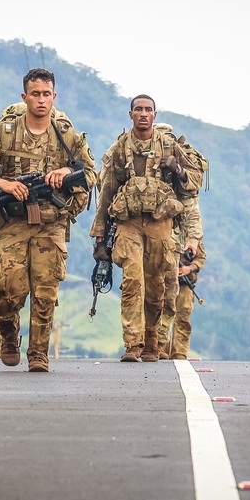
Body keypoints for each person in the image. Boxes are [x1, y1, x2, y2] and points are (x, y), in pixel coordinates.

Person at [0, 68, 97, 373]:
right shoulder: (4, 132)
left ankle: (38, 353)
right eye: (35, 94)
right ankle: (8, 328)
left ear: (54, 96)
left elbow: (91, 173)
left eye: (46, 94)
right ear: (24, 97)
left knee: (46, 290)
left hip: (51, 223)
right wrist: (4, 184)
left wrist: (66, 173)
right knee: (6, 289)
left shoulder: (66, 135)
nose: (41, 100)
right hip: (12, 222)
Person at [90, 95, 201, 362]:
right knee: (132, 280)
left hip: (161, 224)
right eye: (138, 109)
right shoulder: (119, 148)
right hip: (128, 224)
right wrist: (100, 235)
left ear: (154, 114)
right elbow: (107, 191)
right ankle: (133, 343)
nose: (143, 114)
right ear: (130, 114)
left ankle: (152, 339)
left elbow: (195, 182)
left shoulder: (169, 146)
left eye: (148, 110)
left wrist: (179, 170)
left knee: (156, 285)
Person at [159, 199, 206, 360]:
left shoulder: (194, 236)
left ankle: (179, 353)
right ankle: (161, 349)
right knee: (163, 313)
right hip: (166, 281)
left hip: (185, 285)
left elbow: (200, 259)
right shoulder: (165, 230)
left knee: (182, 318)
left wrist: (188, 269)